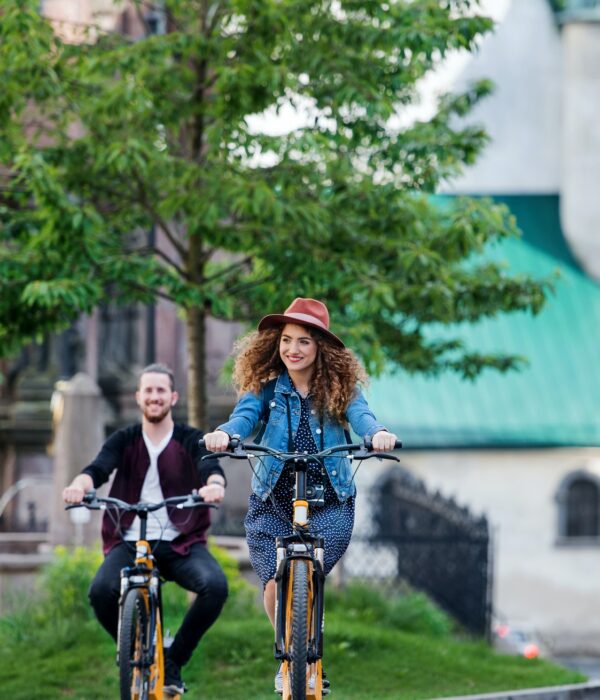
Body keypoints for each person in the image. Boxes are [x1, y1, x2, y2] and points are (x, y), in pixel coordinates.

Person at [203, 297, 397, 694]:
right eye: (287, 340)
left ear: (320, 347)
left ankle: (309, 623)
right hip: (273, 498)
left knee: (312, 567)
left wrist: (375, 434)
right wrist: (228, 433)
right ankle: (292, 653)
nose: (293, 349)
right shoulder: (266, 388)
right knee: (275, 582)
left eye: (304, 341)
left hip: (330, 498)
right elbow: (244, 414)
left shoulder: (341, 388)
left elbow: (362, 416)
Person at [62, 363, 228, 697]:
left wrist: (214, 485)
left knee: (215, 586)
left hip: (179, 541)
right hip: (130, 539)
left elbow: (210, 466)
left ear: (173, 396)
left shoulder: (189, 437)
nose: (154, 397)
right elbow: (97, 470)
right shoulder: (124, 439)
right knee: (100, 592)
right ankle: (133, 646)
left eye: (160, 391)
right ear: (139, 397)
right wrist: (78, 486)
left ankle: (174, 659)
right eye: (148, 391)